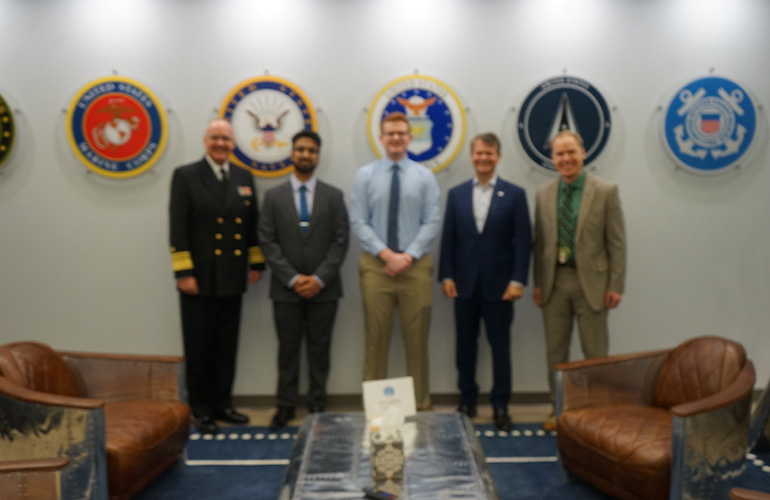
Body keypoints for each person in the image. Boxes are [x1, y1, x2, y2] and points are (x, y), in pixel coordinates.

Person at [169, 118, 264, 435]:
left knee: (226, 345)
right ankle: (201, 408)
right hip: (198, 278)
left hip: (232, 277)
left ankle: (224, 404)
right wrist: (183, 272)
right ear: (205, 140)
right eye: (215, 138)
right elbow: (178, 227)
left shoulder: (243, 176)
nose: (221, 144)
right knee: (199, 346)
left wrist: (256, 263)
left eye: (226, 139)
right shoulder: (186, 176)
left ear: (233, 143)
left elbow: (252, 225)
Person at [533, 130, 626, 431]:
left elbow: (617, 243)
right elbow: (540, 244)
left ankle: (599, 413)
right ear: (553, 159)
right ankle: (557, 410)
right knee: (555, 354)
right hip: (554, 283)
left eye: (571, 152)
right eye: (559, 154)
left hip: (593, 285)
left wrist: (616, 284)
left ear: (583, 153)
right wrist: (538, 283)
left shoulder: (605, 190)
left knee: (595, 355)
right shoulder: (544, 193)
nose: (566, 159)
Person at [438, 133, 531, 432]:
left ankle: (501, 405)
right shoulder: (456, 194)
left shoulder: (514, 194)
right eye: (479, 153)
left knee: (500, 347)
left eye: (489, 153)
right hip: (464, 285)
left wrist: (518, 280)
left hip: (501, 287)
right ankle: (467, 400)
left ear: (498, 156)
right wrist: (447, 275)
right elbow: (449, 239)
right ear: (471, 156)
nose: (483, 158)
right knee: (465, 347)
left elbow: (523, 243)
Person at [350, 112, 441, 411]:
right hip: (376, 267)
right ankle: (374, 409)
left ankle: (420, 405)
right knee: (376, 341)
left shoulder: (424, 176)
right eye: (390, 133)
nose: (396, 138)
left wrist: (408, 255)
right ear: (381, 137)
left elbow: (432, 220)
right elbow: (359, 220)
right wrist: (386, 254)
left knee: (417, 341)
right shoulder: (365, 175)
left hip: (415, 267)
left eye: (401, 133)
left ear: (410, 137)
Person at [259, 130, 349, 431]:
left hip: (325, 290)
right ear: (291, 153)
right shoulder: (273, 197)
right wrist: (294, 278)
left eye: (311, 150)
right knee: (287, 350)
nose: (305, 155)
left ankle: (317, 405)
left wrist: (319, 278)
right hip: (286, 290)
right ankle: (285, 406)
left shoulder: (334, 196)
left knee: (320, 351)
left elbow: (340, 241)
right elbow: (267, 241)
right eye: (300, 150)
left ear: (318, 155)